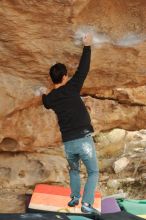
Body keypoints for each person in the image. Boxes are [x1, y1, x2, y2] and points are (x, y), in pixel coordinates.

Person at [42, 34, 99, 214]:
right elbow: (83, 69)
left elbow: (45, 101)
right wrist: (87, 46)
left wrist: (44, 93)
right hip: (83, 139)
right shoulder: (72, 86)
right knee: (93, 172)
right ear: (65, 76)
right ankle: (87, 205)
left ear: (53, 79)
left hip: (68, 143)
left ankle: (75, 198)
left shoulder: (51, 98)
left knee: (74, 171)